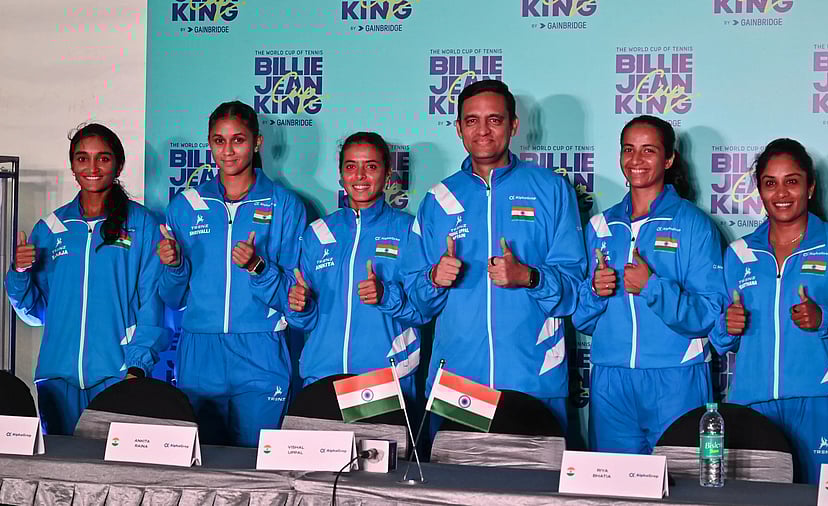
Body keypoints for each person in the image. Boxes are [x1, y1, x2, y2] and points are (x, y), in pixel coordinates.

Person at [402, 80, 586, 432]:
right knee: (452, 471)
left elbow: (574, 290)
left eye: (495, 120)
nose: (483, 130)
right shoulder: (438, 199)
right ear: (459, 128)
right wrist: (433, 279)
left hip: (534, 377)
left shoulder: (551, 189)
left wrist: (529, 277)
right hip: (458, 382)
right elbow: (415, 302)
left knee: (533, 470)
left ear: (514, 125)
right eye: (472, 121)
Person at [710, 138, 828, 484]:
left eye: (791, 181)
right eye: (770, 183)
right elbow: (720, 339)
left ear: (810, 186)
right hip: (753, 405)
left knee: (820, 499)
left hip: (821, 402)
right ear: (759, 190)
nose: (781, 193)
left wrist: (825, 318)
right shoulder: (739, 253)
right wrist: (726, 327)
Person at [572, 115, 726, 454]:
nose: (636, 160)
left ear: (668, 159)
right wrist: (595, 292)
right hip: (611, 380)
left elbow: (710, 313)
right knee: (612, 480)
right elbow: (582, 319)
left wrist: (652, 287)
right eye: (628, 149)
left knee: (683, 481)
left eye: (648, 150)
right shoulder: (600, 226)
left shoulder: (693, 224)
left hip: (676, 377)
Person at [157, 100, 306, 447]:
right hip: (199, 351)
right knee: (200, 464)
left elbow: (294, 295)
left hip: (260, 349)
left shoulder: (285, 205)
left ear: (257, 142)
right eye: (219, 141)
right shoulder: (185, 206)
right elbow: (172, 298)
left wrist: (258, 267)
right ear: (209, 144)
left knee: (257, 465)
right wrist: (174, 266)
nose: (228, 151)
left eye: (238, 140)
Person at [6, 123, 170, 435]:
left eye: (103, 158)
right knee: (59, 463)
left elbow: (152, 303)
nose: (92, 168)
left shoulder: (142, 225)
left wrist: (136, 367)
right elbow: (34, 313)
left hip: (117, 375)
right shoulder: (51, 228)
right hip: (56, 377)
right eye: (83, 158)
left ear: (118, 165)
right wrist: (19, 273)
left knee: (112, 464)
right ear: (72, 166)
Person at [281, 132, 426, 399]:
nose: (360, 176)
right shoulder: (319, 233)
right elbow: (304, 320)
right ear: (340, 174)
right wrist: (300, 306)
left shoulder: (409, 230)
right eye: (350, 166)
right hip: (323, 377)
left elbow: (423, 310)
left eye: (371, 166)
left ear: (388, 173)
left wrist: (385, 295)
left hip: (386, 379)